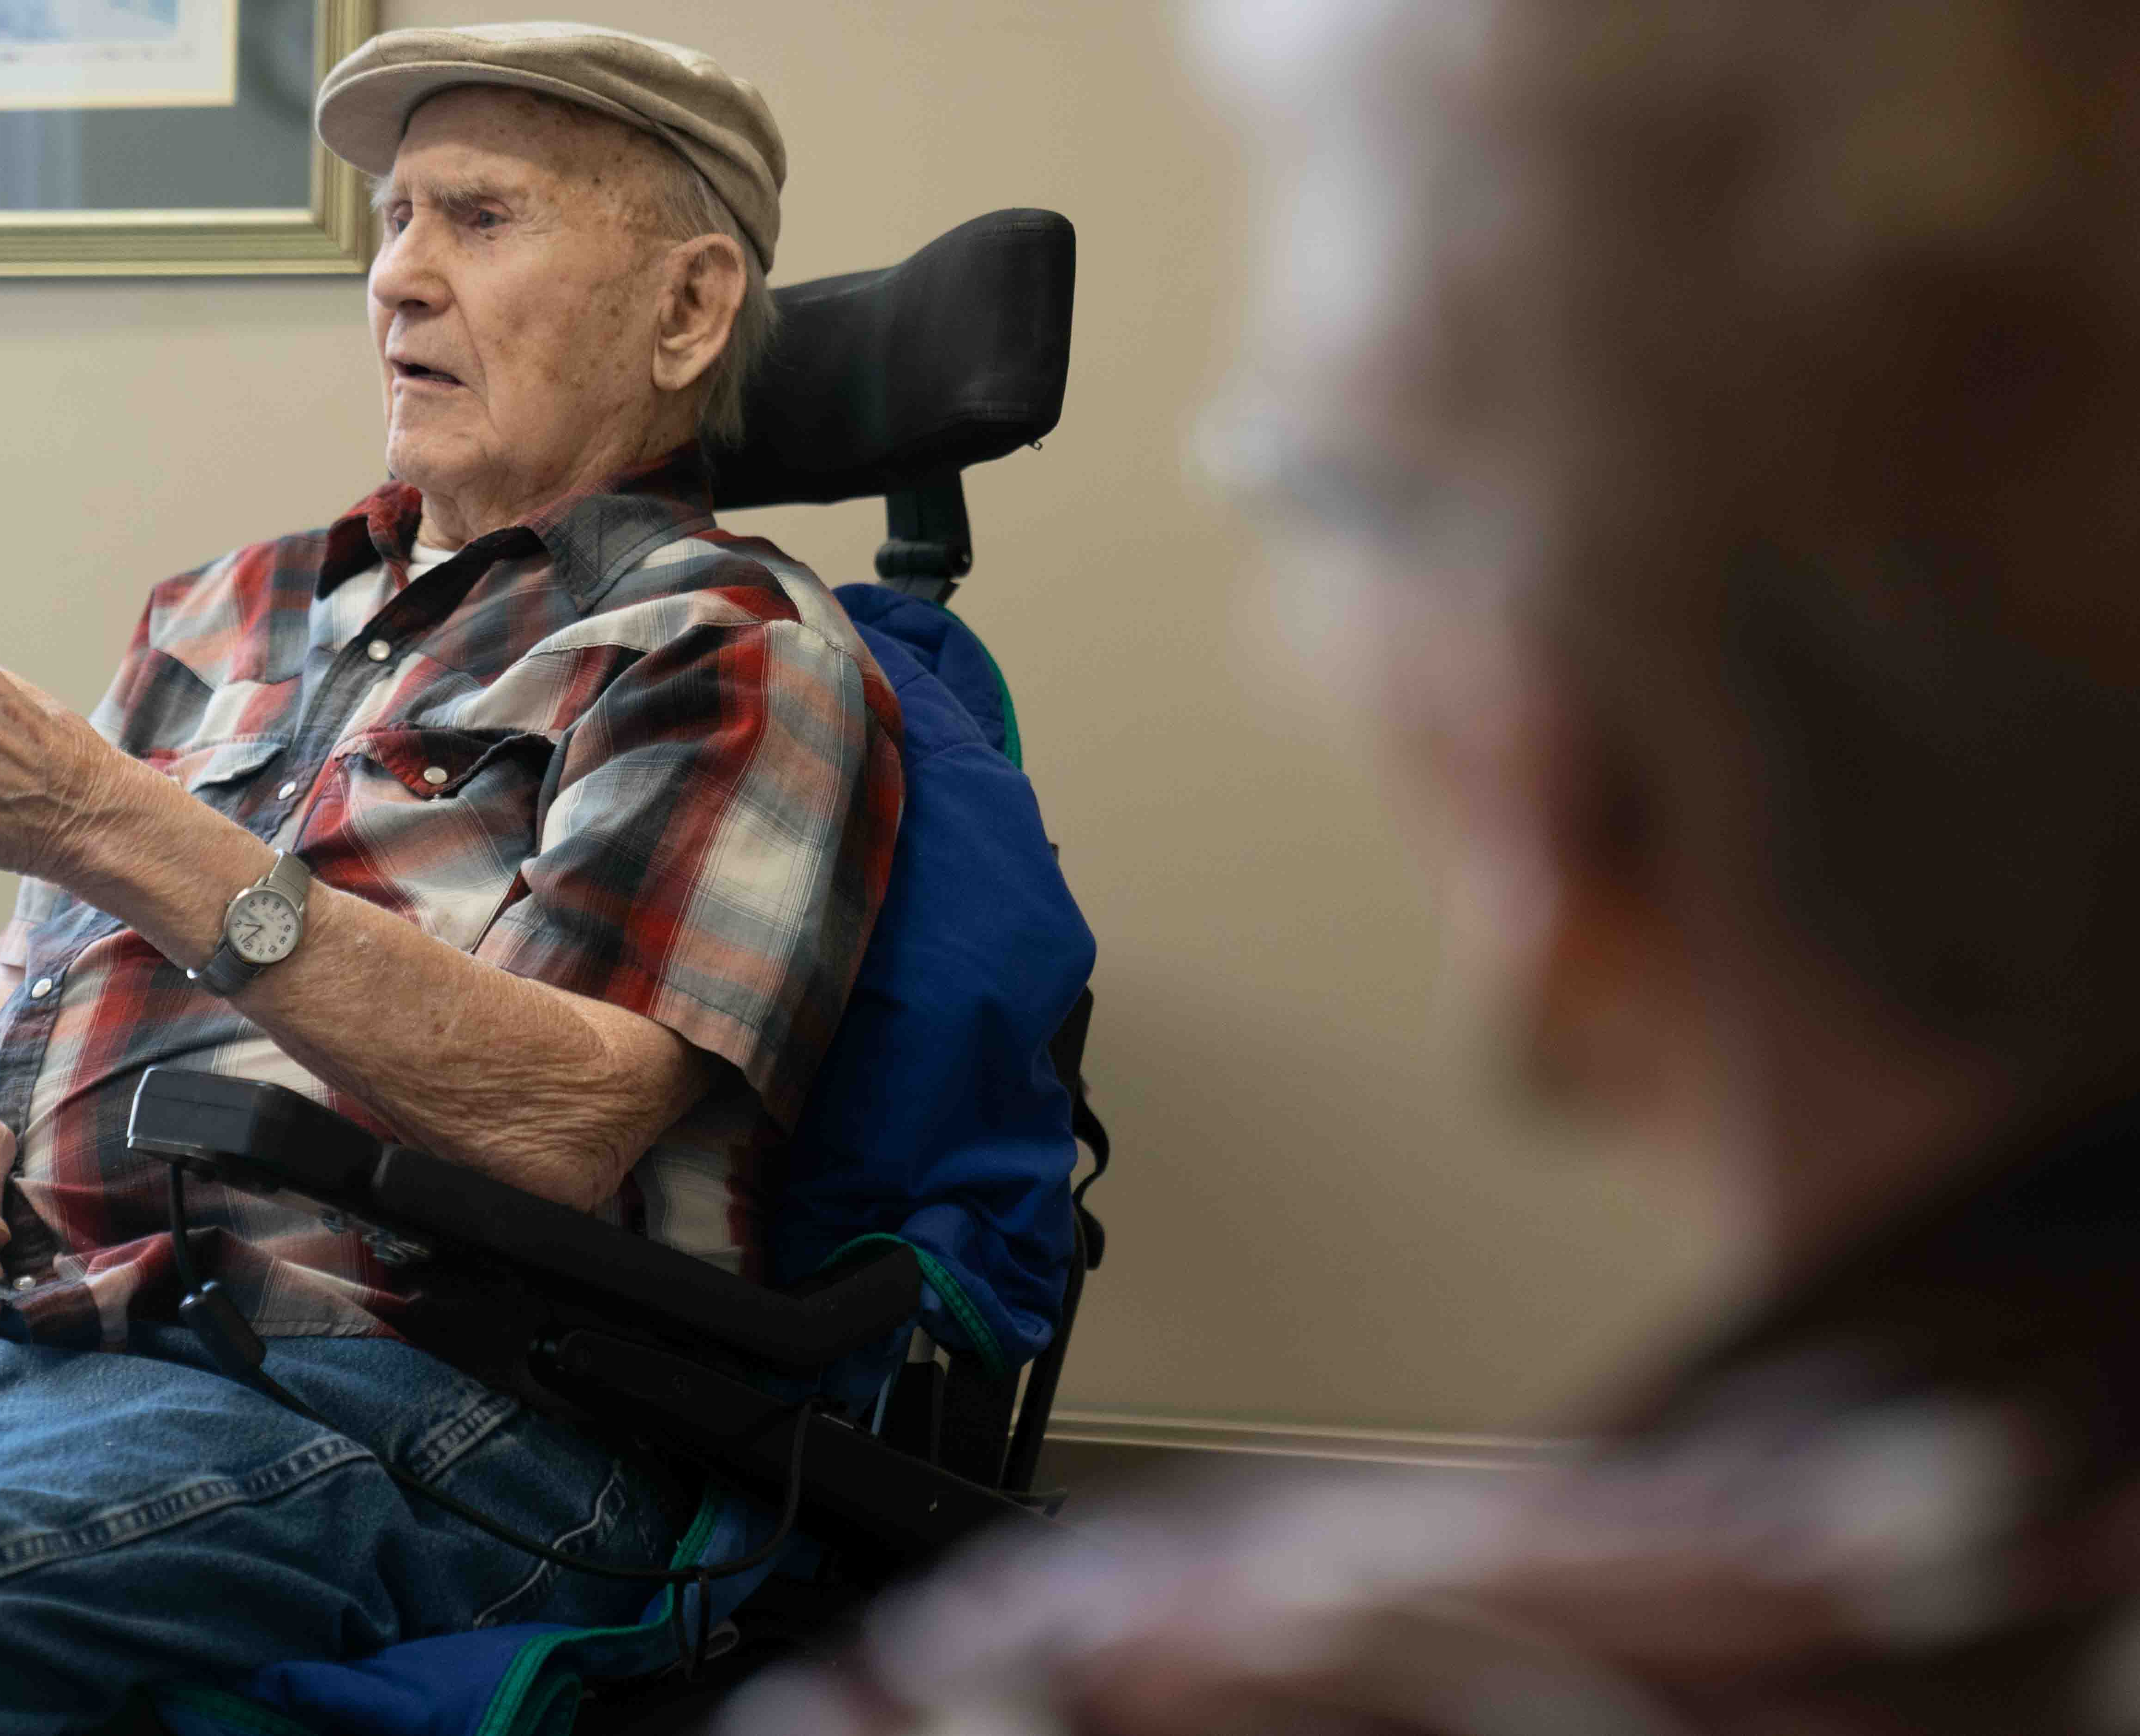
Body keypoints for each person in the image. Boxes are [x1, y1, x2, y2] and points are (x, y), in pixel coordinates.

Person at [725, 1, 2140, 1732]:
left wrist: (278, 923)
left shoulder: (1205, 1693)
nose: (407, 274)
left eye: (1330, 496)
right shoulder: (303, 610)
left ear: (1553, 762)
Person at [0, 24, 904, 1733]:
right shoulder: (229, 608)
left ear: (688, 310)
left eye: (478, 220)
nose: (396, 277)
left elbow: (573, 1116)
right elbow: (21, 975)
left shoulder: (730, 648)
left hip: (392, 1399)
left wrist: (107, 811)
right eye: (394, 217)